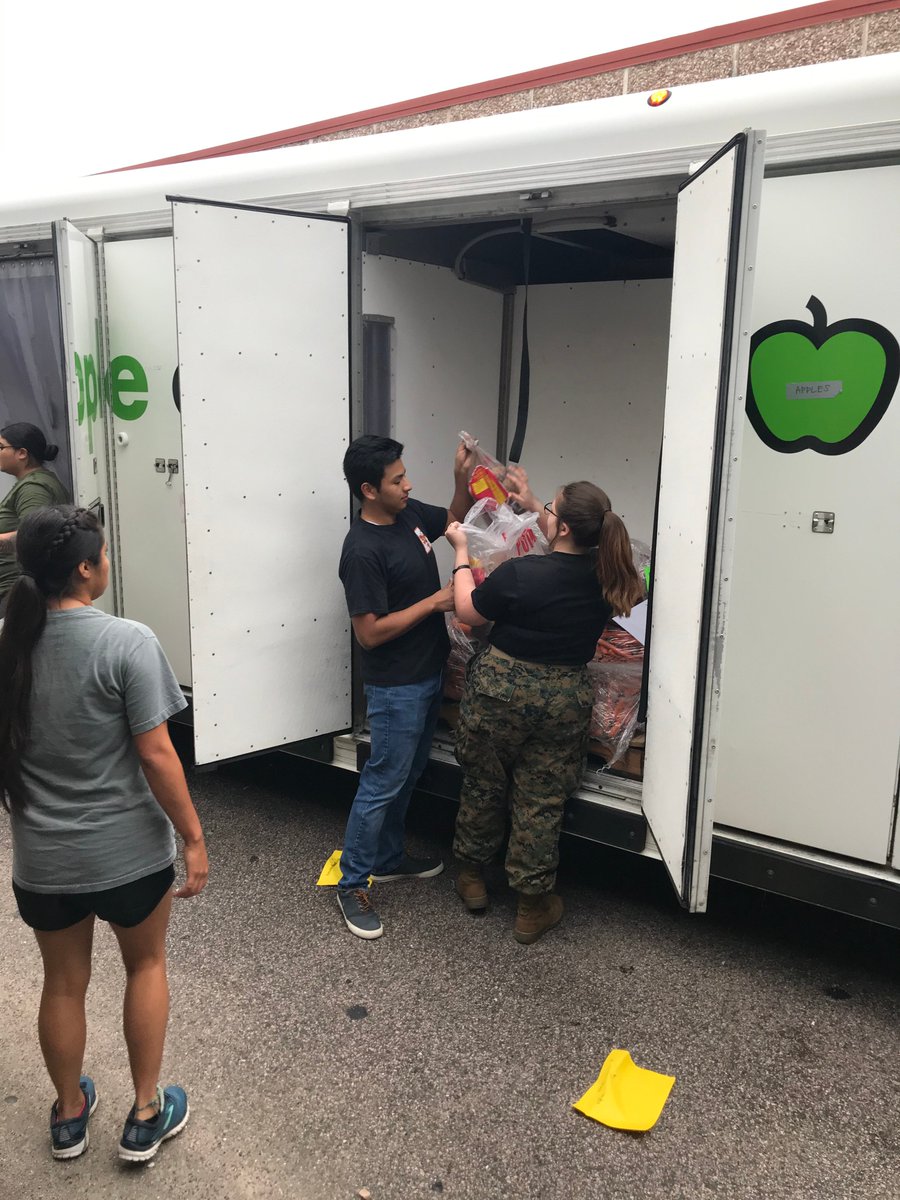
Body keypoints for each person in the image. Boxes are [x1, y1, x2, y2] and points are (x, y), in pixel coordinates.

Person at [0, 505, 208, 1164]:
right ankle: (145, 1114)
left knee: (62, 984)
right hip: (130, 856)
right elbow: (157, 756)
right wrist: (194, 838)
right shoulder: (128, 641)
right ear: (86, 568)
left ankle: (69, 1115)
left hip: (43, 858)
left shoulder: (7, 638)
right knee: (144, 966)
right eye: (104, 554)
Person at [445, 466, 644, 944]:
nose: (544, 513)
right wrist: (535, 502)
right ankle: (531, 907)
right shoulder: (609, 574)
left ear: (565, 526)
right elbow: (570, 533)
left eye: (550, 510)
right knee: (541, 802)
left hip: (499, 691)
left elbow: (469, 613)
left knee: (484, 785)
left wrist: (461, 555)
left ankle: (472, 880)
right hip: (562, 700)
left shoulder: (520, 573)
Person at [336, 434, 474, 939]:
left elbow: (452, 522)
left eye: (406, 475)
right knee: (382, 781)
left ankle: (389, 857)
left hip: (429, 671)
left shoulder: (409, 513)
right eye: (397, 480)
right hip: (397, 686)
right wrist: (434, 604)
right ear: (369, 489)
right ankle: (352, 884)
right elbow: (369, 634)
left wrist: (462, 480)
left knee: (409, 772)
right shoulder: (362, 550)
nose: (408, 485)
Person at [0, 422, 70, 614]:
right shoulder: (32, 483)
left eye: (1, 447)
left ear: (22, 453)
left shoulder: (34, 488)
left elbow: (34, 536)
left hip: (16, 592)